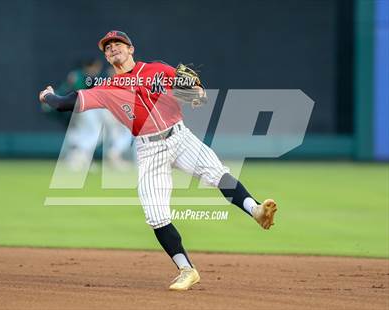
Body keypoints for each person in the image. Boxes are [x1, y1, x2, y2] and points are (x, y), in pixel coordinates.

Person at [39, 30, 277, 291]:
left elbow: (194, 92)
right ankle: (186, 270)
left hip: (179, 136)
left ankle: (255, 210)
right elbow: (63, 104)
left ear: (131, 49)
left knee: (217, 174)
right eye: (108, 48)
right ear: (106, 57)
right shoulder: (105, 88)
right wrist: (48, 95)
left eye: (118, 44)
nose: (113, 48)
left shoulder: (157, 70)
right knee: (156, 216)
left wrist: (196, 94)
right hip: (148, 150)